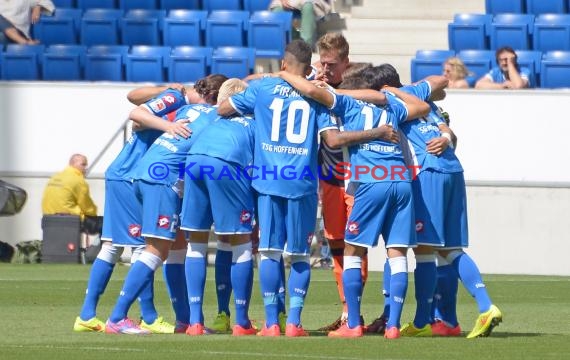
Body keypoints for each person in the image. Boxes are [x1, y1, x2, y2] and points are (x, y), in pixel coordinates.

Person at [218, 39, 393, 337]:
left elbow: (223, 108)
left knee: (270, 253)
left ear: (284, 64)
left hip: (268, 180)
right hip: (302, 182)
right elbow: (332, 141)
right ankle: (295, 323)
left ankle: (272, 322)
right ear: (309, 65)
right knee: (299, 255)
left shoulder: (262, 89)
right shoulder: (317, 97)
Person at [275, 67, 431, 339]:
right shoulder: (391, 107)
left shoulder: (347, 104)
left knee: (352, 251)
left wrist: (283, 74)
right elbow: (423, 107)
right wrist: (392, 92)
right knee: (397, 254)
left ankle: (353, 324)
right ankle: (393, 325)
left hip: (371, 181)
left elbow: (312, 91)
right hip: (401, 180)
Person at [372, 64, 503, 339]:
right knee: (450, 247)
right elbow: (447, 128)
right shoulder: (423, 98)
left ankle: (429, 319)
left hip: (427, 172)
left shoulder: (389, 102)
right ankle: (456, 316)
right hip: (454, 170)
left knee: (425, 248)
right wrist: (445, 135)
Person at [104, 74, 227, 335]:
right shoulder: (215, 116)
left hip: (148, 173)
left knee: (177, 246)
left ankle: (186, 321)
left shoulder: (186, 108)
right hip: (163, 180)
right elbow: (135, 111)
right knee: (156, 249)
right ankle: (117, 317)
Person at [73, 89, 191, 334]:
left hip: (125, 175)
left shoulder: (184, 110)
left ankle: (87, 315)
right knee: (142, 246)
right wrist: (167, 114)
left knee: (112, 245)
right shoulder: (177, 98)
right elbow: (135, 107)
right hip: (130, 176)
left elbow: (136, 103)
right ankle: (147, 316)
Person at [179, 78, 258, 336]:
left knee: (196, 242)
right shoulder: (254, 123)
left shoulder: (213, 119)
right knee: (241, 242)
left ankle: (195, 322)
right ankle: (241, 321)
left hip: (194, 160)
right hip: (226, 162)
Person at [312, 32, 371, 332]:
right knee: (336, 244)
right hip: (329, 179)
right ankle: (348, 310)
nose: (327, 69)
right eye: (323, 63)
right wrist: (314, 76)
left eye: (332, 64)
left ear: (346, 62)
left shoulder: (359, 86)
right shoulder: (314, 85)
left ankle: (358, 312)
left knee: (356, 244)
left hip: (359, 178)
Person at [42, 154, 97, 220]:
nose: (85, 168)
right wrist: (94, 213)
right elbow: (87, 207)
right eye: (83, 164)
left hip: (48, 219)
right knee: (100, 223)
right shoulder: (78, 180)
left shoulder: (55, 177)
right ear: (73, 164)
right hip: (70, 220)